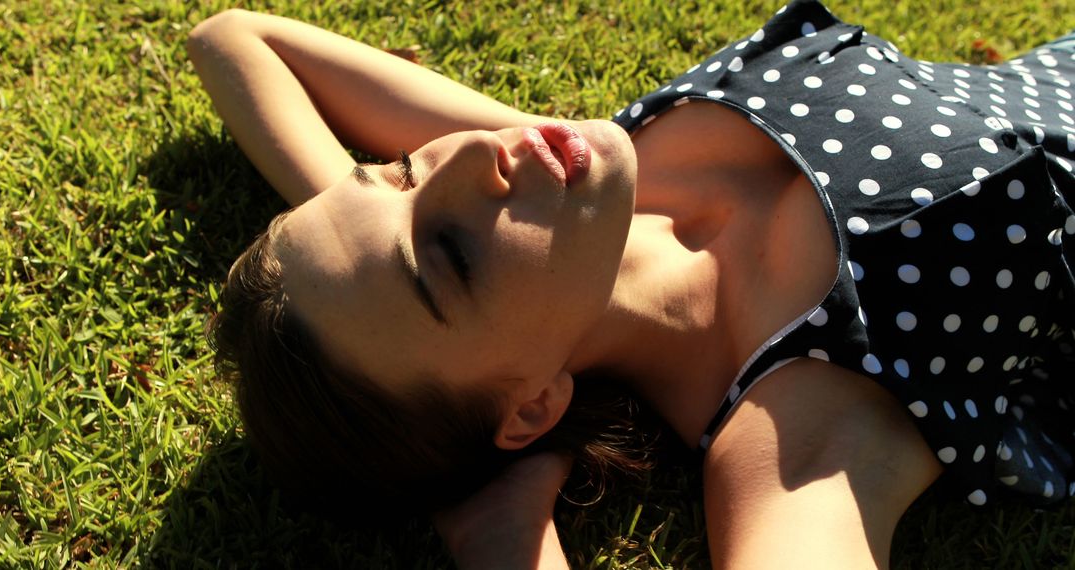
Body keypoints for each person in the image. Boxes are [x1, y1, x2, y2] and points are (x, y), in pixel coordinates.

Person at [188, 0, 1075, 567]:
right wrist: (507, 535)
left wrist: (356, 226)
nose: (472, 163)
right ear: (532, 407)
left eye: (402, 171)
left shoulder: (560, 167)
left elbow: (234, 38)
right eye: (451, 256)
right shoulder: (800, 427)